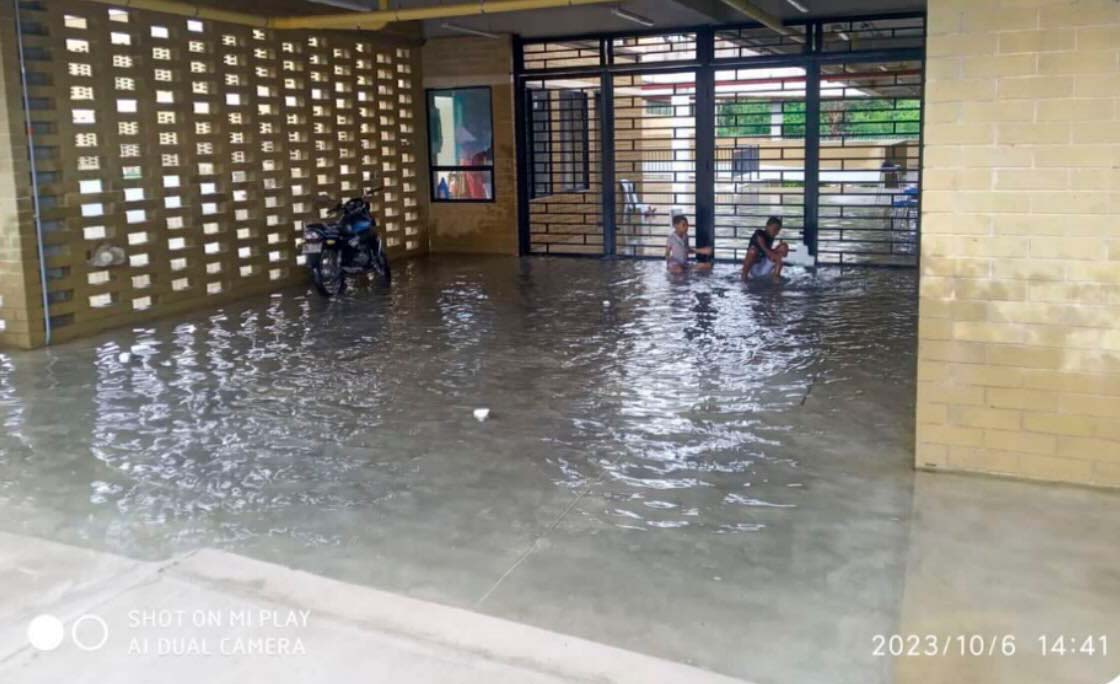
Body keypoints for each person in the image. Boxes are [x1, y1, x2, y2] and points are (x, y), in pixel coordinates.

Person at [742, 216, 789, 281]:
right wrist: (774, 254)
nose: (776, 232)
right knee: (752, 251)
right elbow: (765, 249)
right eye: (775, 229)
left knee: (783, 246)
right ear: (767, 227)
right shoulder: (759, 233)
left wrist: (781, 249)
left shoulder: (771, 237)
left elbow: (783, 255)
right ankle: (744, 276)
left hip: (765, 266)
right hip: (754, 269)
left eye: (778, 230)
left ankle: (776, 276)